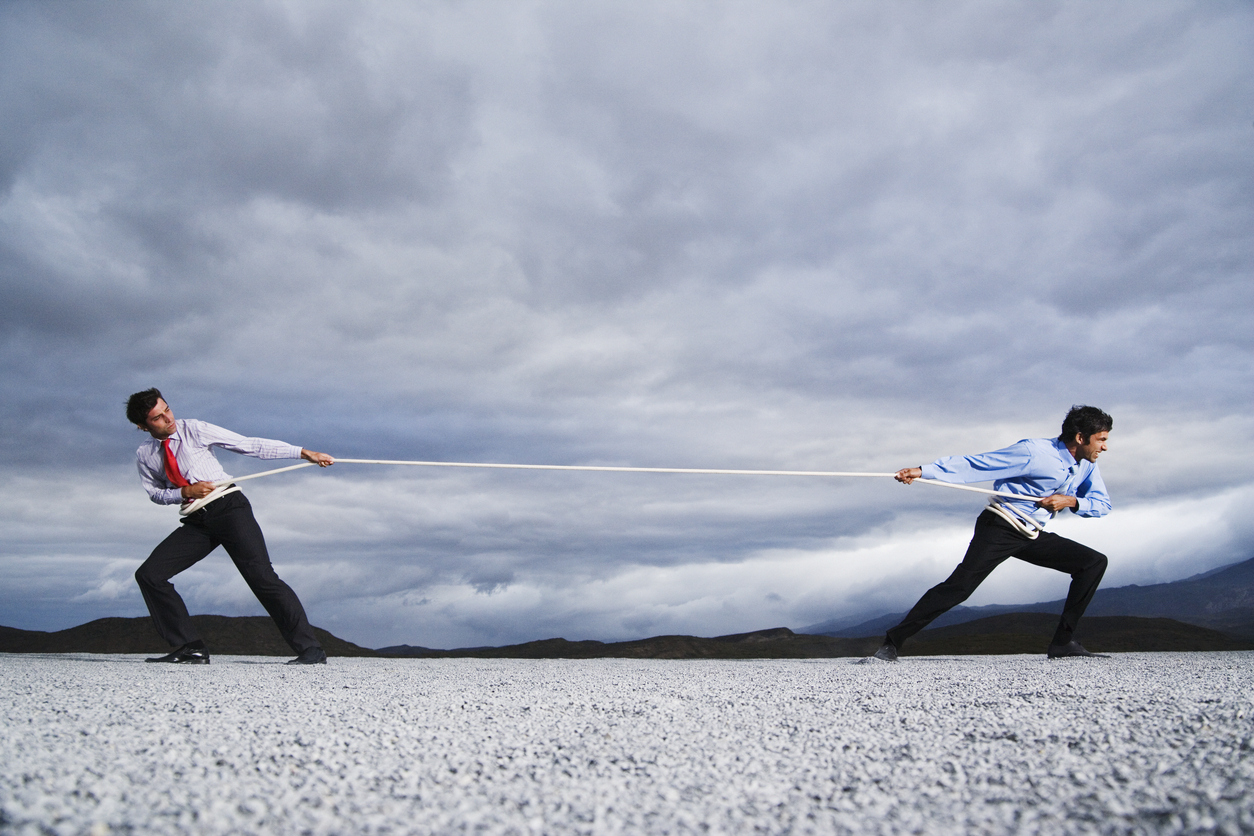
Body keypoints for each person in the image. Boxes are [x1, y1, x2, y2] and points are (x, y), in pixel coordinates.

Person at [873, 405, 1113, 662]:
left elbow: (1102, 505)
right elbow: (978, 464)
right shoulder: (1035, 452)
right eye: (1101, 439)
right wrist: (922, 471)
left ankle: (1063, 643)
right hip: (1000, 525)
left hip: (1031, 533)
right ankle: (891, 643)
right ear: (1080, 437)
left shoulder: (1087, 465)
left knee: (1093, 563)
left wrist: (1071, 502)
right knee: (959, 588)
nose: (1105, 447)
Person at [125, 388, 335, 665]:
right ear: (142, 426)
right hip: (197, 521)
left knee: (262, 578)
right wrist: (185, 492)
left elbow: (250, 445)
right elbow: (155, 493)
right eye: (158, 418)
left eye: (168, 409)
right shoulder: (146, 454)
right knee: (149, 575)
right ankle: (190, 648)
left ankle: (311, 650)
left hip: (229, 509)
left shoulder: (195, 430)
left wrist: (304, 452)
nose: (168, 418)